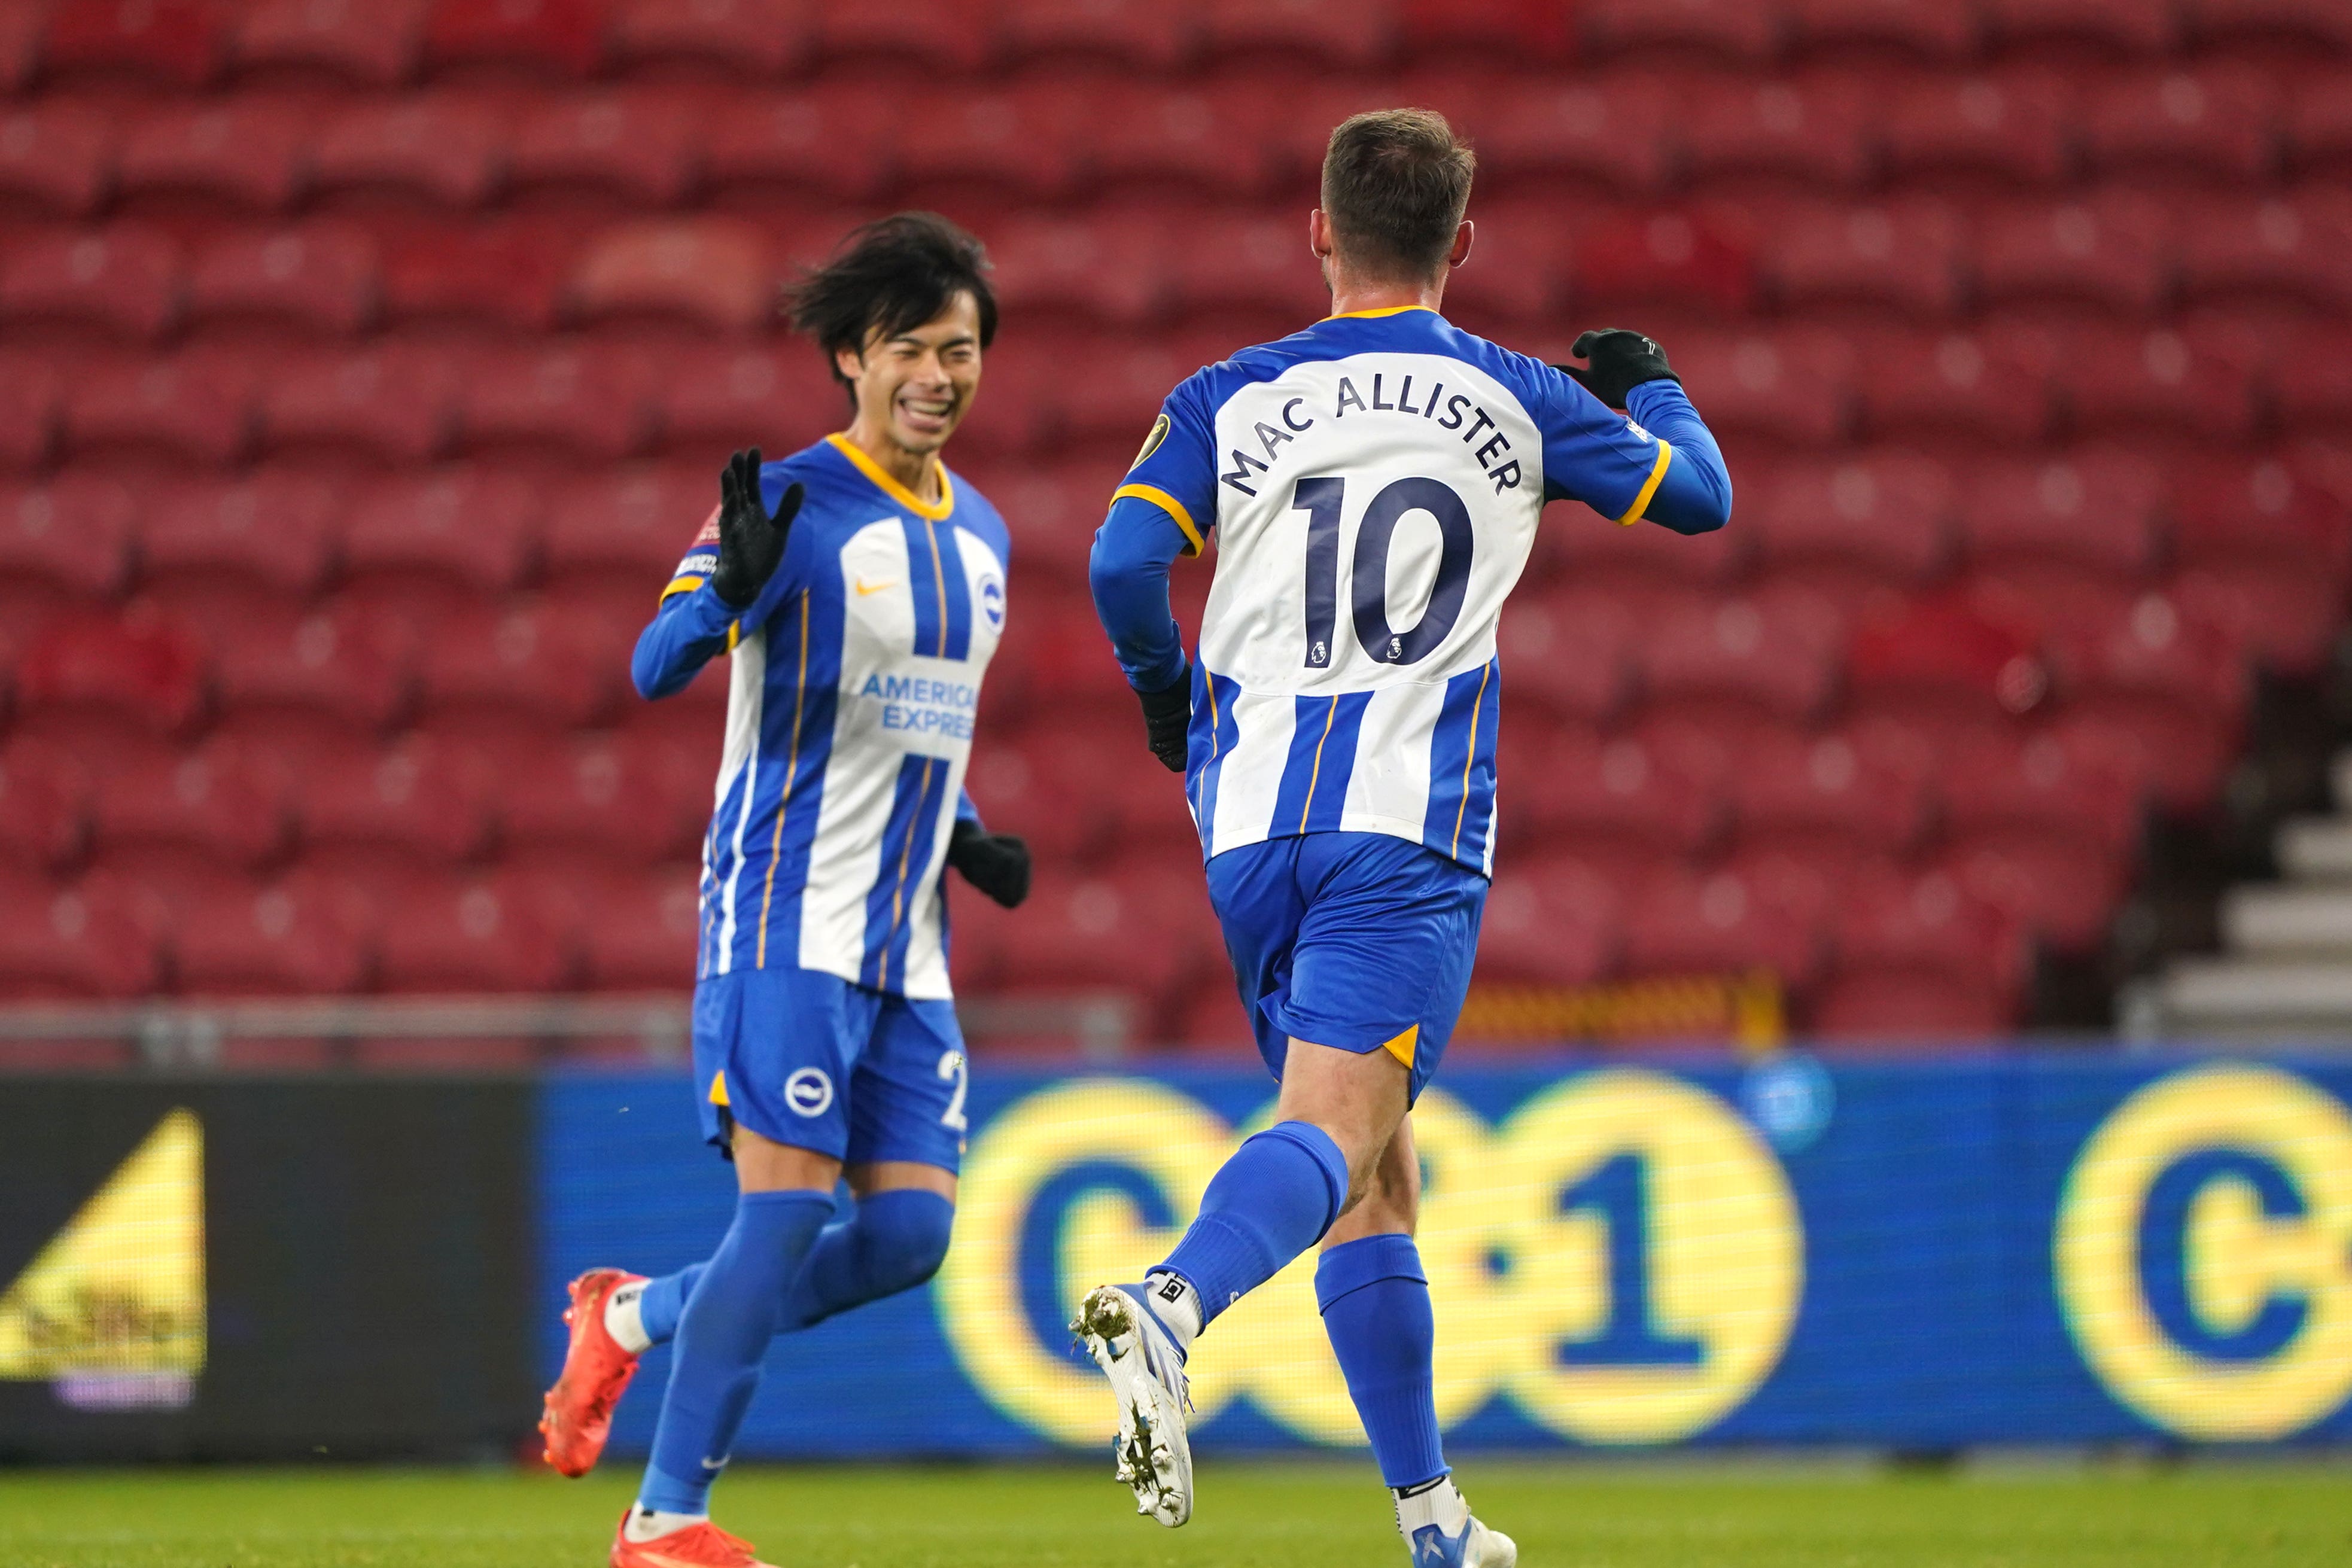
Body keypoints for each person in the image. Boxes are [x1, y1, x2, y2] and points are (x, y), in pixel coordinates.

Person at [1078, 110, 1733, 1567]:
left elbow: (1124, 560)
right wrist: (1654, 387)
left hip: (1248, 831)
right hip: (1405, 830)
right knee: (1338, 1130)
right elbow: (1700, 501)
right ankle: (1170, 1310)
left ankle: (1432, 1521)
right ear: (1463, 245)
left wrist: (1164, 695)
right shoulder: (1511, 397)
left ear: (1317, 232)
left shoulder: (1226, 394)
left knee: (1375, 1165)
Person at [537, 212, 1032, 1568]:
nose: (940, 374)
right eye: (913, 350)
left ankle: (630, 1320)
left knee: (912, 1236)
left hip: (907, 939)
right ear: (850, 358)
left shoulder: (984, 533)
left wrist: (969, 830)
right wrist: (719, 599)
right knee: (789, 1210)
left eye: (963, 349)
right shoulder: (787, 505)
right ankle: (664, 1522)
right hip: (783, 916)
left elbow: (901, 718)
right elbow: (650, 666)